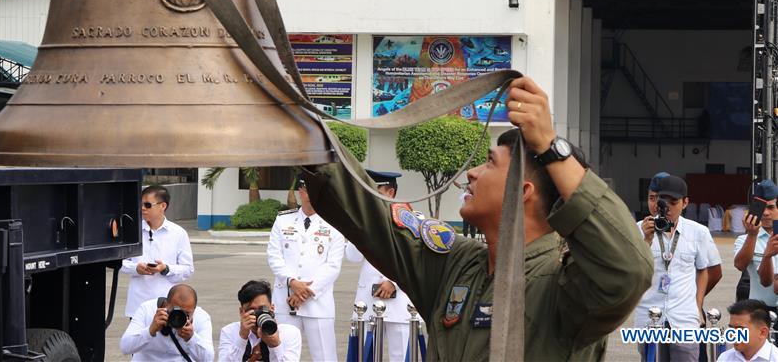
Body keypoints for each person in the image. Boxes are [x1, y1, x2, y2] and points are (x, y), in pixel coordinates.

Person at [301, 76, 653, 361]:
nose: (471, 172)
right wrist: (298, 122)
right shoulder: (456, 263)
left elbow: (627, 269)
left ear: (524, 191)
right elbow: (367, 208)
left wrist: (548, 145)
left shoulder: (566, 286)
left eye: (489, 162)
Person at [634, 172, 723, 362]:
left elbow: (705, 271)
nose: (667, 208)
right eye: (662, 202)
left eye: (673, 203)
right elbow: (631, 271)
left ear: (685, 203)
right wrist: (646, 240)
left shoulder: (698, 232)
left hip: (684, 317)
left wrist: (696, 304)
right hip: (648, 315)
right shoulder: (637, 229)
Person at [266, 173, 344, 362]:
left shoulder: (335, 223)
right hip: (286, 300)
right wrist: (292, 282)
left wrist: (305, 291)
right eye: (311, 189)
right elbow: (274, 256)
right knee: (281, 355)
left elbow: (333, 266)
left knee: (325, 357)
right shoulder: (283, 220)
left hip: (318, 302)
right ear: (301, 191)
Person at [345, 170, 418, 362]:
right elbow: (351, 256)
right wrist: (358, 226)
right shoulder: (364, 219)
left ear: (390, 193)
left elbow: (414, 258)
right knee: (364, 354)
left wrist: (393, 282)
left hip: (399, 299)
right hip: (368, 300)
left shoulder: (410, 218)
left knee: (401, 356)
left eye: (376, 189)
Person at [122, 185, 194, 318]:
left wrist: (166, 269)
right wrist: (136, 268)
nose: (143, 208)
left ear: (163, 206)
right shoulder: (132, 231)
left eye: (148, 205)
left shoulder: (178, 233)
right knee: (138, 339)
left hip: (167, 304)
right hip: (138, 304)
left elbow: (188, 269)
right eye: (141, 204)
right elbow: (120, 263)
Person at [120, 283, 214, 362]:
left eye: (187, 314)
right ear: (165, 304)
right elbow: (125, 347)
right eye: (175, 311)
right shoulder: (147, 309)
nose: (179, 316)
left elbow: (208, 359)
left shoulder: (202, 317)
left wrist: (191, 338)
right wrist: (150, 331)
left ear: (194, 309)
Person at [218, 279, 303, 362]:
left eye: (262, 308)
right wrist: (242, 337)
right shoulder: (229, 332)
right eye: (252, 310)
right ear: (241, 312)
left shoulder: (289, 333)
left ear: (272, 308)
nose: (258, 314)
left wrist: (275, 345)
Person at [735, 181, 778, 315]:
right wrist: (752, 235)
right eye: (761, 207)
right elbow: (740, 265)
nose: (765, 213)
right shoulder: (745, 239)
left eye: (771, 207)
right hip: (758, 310)